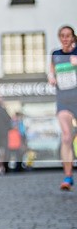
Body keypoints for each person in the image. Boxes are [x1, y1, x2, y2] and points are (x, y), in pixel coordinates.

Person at [48, 25, 77, 190]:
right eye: (62, 36)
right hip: (63, 101)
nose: (65, 39)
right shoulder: (55, 55)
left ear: (73, 37)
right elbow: (51, 72)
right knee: (66, 137)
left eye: (68, 36)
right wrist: (51, 77)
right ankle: (68, 176)